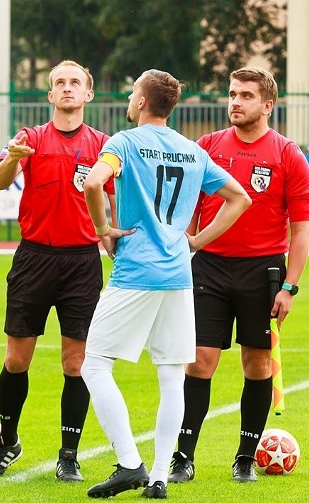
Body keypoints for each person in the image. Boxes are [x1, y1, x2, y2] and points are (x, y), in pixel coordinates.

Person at [81, 69, 250, 499]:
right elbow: (240, 198)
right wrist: (195, 241)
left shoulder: (123, 142)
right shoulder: (192, 151)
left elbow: (95, 181)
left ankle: (129, 463)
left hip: (136, 270)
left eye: (133, 89)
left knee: (95, 364)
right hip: (178, 272)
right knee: (172, 377)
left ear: (141, 101)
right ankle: (158, 478)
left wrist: (103, 228)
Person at [170, 66, 309, 484]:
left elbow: (300, 229)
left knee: (257, 365)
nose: (235, 102)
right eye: (232, 94)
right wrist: (184, 251)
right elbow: (187, 211)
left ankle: (245, 458)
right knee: (199, 363)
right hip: (208, 268)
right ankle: (184, 456)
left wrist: (290, 286)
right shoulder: (207, 147)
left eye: (246, 96)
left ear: (268, 105)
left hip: (263, 270)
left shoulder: (288, 154)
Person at [0, 60, 116, 482]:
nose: (67, 89)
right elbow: (1, 181)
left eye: (76, 82)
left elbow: (116, 194)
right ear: (50, 95)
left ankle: (69, 454)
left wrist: (112, 235)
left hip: (81, 263)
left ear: (88, 94)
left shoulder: (103, 144)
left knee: (75, 363)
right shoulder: (30, 138)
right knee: (16, 359)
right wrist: (12, 160)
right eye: (60, 83)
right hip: (34, 258)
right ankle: (7, 440)